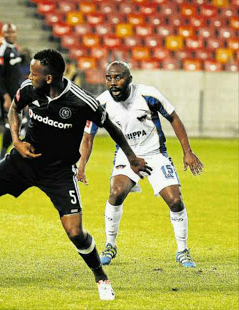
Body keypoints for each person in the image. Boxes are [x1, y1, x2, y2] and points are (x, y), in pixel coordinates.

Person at [0, 49, 152, 301]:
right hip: (22, 160)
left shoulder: (82, 102)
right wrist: (16, 141)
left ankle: (101, 277)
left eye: (34, 73)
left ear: (49, 78)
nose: (28, 76)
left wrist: (132, 158)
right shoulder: (29, 89)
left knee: (76, 232)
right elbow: (14, 109)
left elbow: (111, 126)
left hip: (58, 172)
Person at [78, 61, 203, 268]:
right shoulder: (100, 104)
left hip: (155, 154)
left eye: (118, 77)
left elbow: (173, 117)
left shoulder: (148, 94)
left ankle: (182, 250)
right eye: (108, 78)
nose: (113, 83)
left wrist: (187, 152)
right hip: (126, 156)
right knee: (116, 193)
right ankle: (110, 244)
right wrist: (82, 166)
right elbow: (88, 137)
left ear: (129, 79)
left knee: (175, 200)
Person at [0, 23, 23, 165]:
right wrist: (5, 97)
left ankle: (8, 153)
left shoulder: (15, 48)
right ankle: (1, 155)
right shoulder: (2, 51)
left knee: (20, 122)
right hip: (7, 94)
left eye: (12, 32)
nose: (10, 35)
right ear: (3, 34)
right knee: (10, 124)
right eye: (7, 32)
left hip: (16, 93)